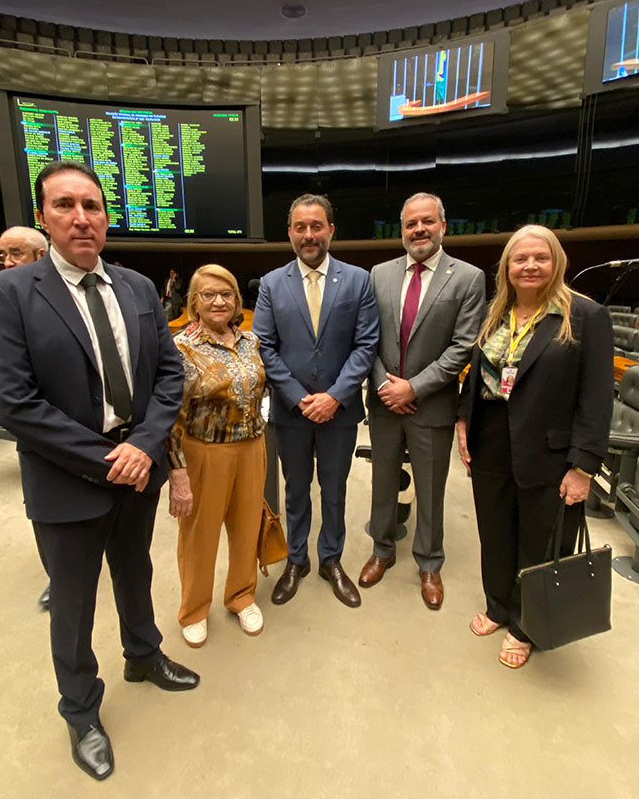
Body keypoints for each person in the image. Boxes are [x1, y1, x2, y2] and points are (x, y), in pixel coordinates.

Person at [0, 159, 199, 782]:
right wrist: (110, 460)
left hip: (138, 467)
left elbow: (168, 375)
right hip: (68, 476)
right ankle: (80, 711)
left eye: (92, 206)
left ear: (106, 217)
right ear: (43, 218)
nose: (81, 217)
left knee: (136, 571)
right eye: (65, 205)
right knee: (73, 604)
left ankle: (143, 655)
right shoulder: (9, 293)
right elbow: (15, 403)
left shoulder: (137, 287)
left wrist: (145, 447)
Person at [455, 224, 612, 669]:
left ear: (556, 262)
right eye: (520, 258)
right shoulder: (497, 313)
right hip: (491, 442)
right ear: (506, 266)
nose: (530, 266)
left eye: (540, 258)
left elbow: (597, 397)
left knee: (539, 541)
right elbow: (479, 374)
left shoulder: (585, 316)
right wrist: (464, 420)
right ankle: (498, 604)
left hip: (550, 451)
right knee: (495, 531)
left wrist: (584, 466)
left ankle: (526, 625)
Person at [251, 194, 379, 607]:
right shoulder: (271, 284)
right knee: (295, 490)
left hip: (339, 413)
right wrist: (299, 397)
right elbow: (265, 347)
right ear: (289, 232)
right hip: (291, 413)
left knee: (335, 489)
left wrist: (335, 397)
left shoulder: (358, 280)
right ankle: (297, 560)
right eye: (301, 227)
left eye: (317, 226)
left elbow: (366, 345)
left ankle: (331, 560)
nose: (309, 235)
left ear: (331, 230)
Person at [360, 193, 486, 609]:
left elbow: (463, 346)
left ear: (443, 226)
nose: (419, 230)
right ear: (402, 230)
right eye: (411, 223)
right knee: (382, 481)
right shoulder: (379, 274)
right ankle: (381, 550)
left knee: (431, 488)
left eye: (427, 221)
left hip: (431, 406)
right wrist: (385, 386)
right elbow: (367, 337)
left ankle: (430, 562)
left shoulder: (467, 278)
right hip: (384, 403)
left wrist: (412, 388)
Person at [165, 264, 267, 647]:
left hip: (252, 447)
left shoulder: (250, 341)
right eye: (209, 294)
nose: (219, 301)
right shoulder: (180, 348)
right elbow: (170, 415)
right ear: (194, 302)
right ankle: (194, 609)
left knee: (246, 528)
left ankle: (241, 595)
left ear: (237, 301)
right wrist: (176, 470)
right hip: (204, 452)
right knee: (199, 536)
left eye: (226, 294)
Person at [0, 225, 53, 611]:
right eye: (4, 254)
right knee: (45, 512)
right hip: (38, 429)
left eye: (16, 253)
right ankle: (57, 577)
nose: (8, 262)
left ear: (40, 255)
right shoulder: (3, 296)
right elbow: (10, 393)